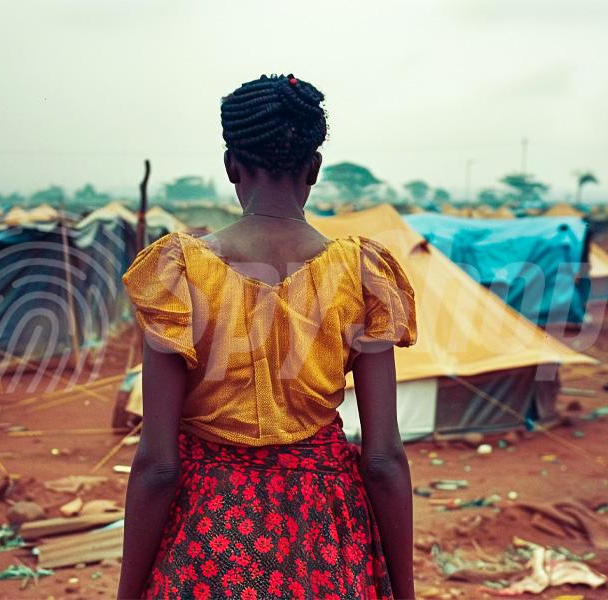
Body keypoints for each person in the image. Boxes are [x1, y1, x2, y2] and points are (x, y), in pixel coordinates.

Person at [117, 74, 416, 600]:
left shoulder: (179, 273)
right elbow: (384, 457)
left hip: (210, 539)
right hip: (325, 537)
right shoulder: (361, 273)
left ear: (231, 164)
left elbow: (158, 465)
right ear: (315, 169)